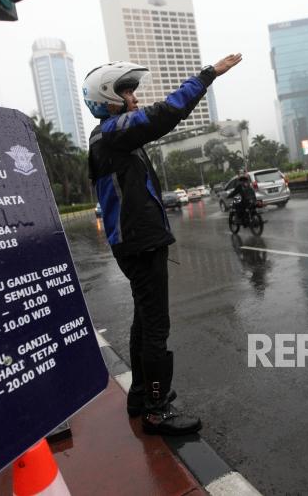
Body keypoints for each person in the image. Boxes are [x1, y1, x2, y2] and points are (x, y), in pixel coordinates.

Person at [85, 54, 242, 435]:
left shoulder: (111, 136)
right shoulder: (113, 131)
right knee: (156, 327)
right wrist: (207, 75)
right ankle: (157, 408)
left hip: (136, 241)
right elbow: (164, 113)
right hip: (139, 242)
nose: (135, 99)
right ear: (109, 98)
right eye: (127, 93)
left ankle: (140, 396)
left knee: (144, 321)